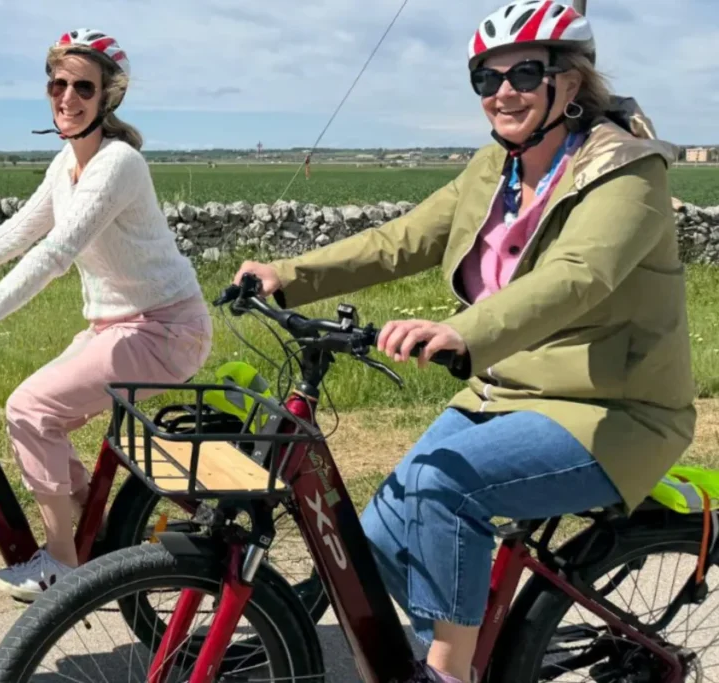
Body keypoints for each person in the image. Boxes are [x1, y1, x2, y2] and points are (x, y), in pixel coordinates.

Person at [232, 2, 696, 681]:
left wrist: (462, 330)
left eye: (524, 73)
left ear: (570, 82)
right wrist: (288, 276)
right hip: (503, 393)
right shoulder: (493, 169)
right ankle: (472, 654)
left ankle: (450, 673)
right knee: (378, 537)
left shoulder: (626, 172)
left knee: (442, 487)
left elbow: (577, 278)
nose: (503, 92)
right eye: (487, 78)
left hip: (612, 409)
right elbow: (402, 239)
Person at [0, 28, 213, 602]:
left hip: (167, 329)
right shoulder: (65, 163)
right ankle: (102, 537)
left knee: (31, 409)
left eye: (83, 87)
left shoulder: (118, 163)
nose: (67, 97)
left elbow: (56, 252)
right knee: (38, 416)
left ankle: (62, 566)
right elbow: (21, 229)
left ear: (108, 96)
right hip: (117, 326)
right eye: (58, 84)